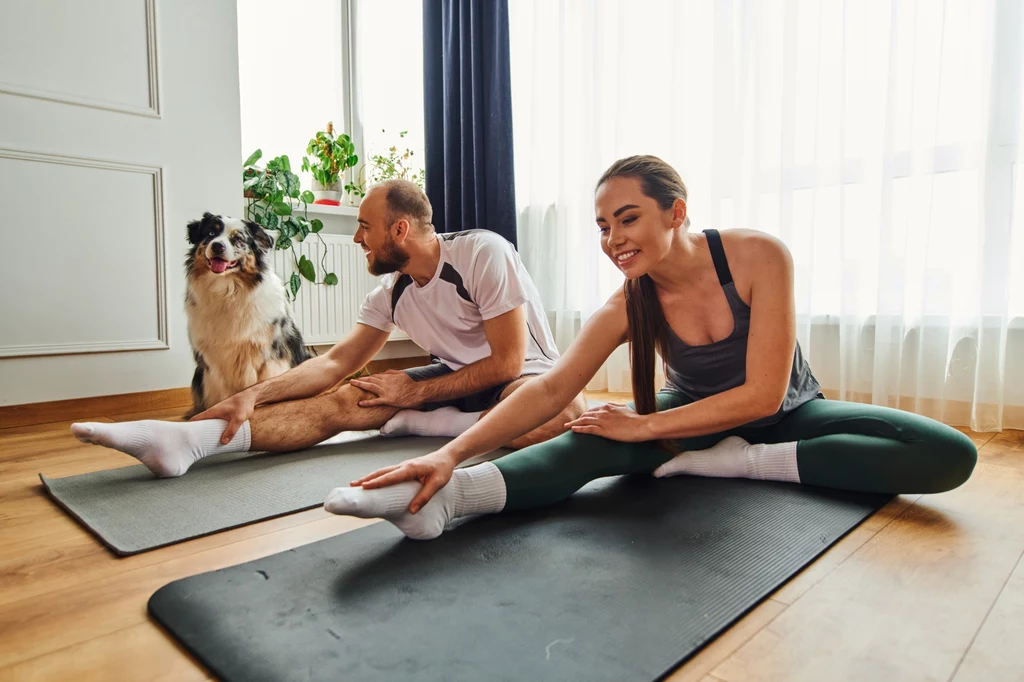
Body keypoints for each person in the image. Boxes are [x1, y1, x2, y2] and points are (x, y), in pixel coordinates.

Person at [323, 155, 979, 540]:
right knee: (584, 440)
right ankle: (442, 501)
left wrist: (647, 427)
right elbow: (550, 386)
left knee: (949, 456)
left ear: (676, 211)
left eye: (627, 218)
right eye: (603, 226)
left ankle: (735, 462)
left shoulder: (757, 257)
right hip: (690, 415)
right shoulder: (627, 301)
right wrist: (448, 455)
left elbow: (765, 395)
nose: (612, 239)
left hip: (789, 414)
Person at [70, 179, 586, 477]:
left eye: (365, 226)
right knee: (346, 400)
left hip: (527, 378)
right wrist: (256, 396)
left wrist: (409, 393)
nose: (359, 238)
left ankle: (435, 425)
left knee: (563, 414)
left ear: (399, 229)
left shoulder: (481, 252)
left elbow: (506, 364)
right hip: (456, 382)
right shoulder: (390, 293)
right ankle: (187, 442)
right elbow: (335, 364)